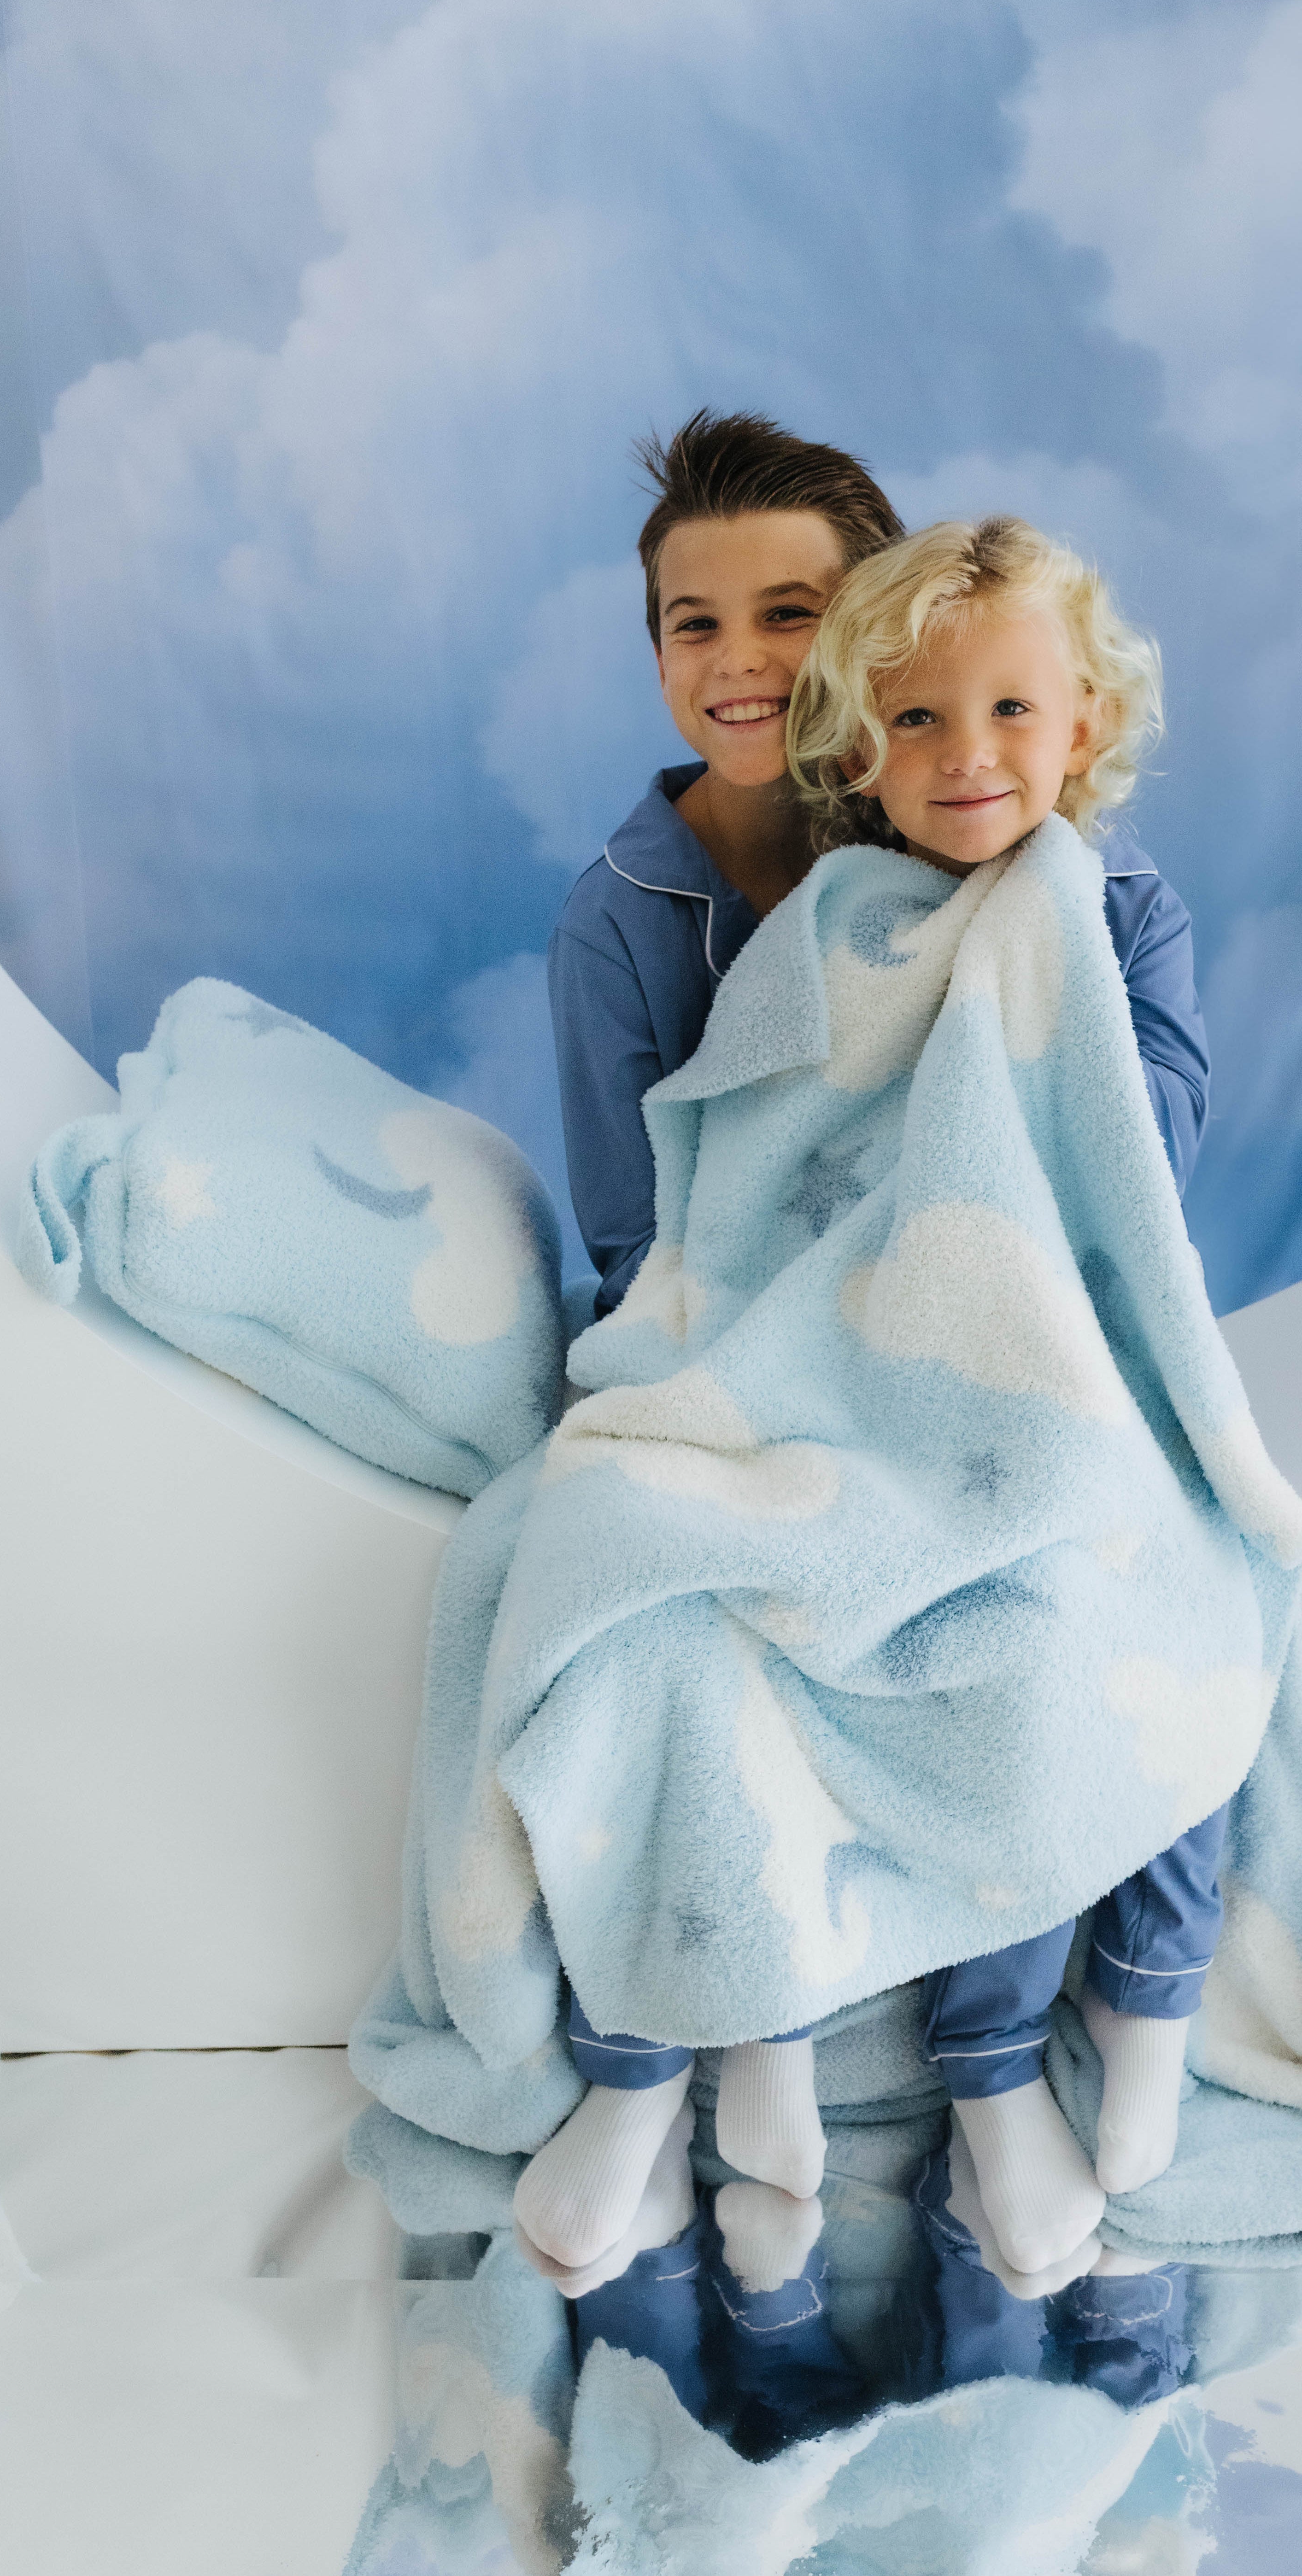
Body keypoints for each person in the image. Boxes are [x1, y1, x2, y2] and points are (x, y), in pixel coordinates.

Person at [521, 424, 1209, 2281]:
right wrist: (737, 1372)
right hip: (751, 1347)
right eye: (692, 622)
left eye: (791, 614)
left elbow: (1099, 1164)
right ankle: (670, 2053)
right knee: (655, 1586)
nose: (740, 658)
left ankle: (1032, 2050)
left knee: (1078, 1589)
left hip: (998, 1354)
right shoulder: (681, 913)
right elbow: (656, 1211)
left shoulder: (979, 847)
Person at [786, 513, 1228, 2266]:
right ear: (861, 749)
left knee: (1182, 1615)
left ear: (1082, 733)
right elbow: (792, 1155)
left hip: (1099, 1368)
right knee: (987, 1653)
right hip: (903, 1376)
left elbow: (1158, 1151)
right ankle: (983, 2048)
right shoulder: (850, 924)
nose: (966, 760)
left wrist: (1039, 960)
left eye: (1009, 717)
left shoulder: (1124, 910)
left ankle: (1151, 1988)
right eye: (915, 723)